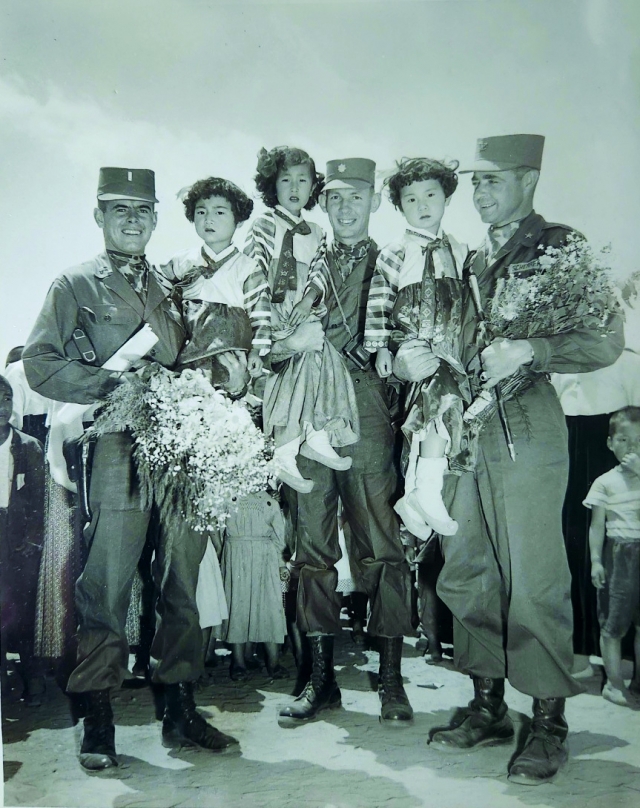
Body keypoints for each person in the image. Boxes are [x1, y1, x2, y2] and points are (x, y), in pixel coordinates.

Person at [393, 135, 624, 784]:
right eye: (478, 181)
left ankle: (548, 720)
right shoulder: (467, 257)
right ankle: (487, 703)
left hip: (526, 426)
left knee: (534, 577)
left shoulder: (558, 245)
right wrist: (420, 359)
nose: (481, 191)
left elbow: (606, 340)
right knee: (467, 570)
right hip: (463, 426)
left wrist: (533, 353)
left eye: (493, 180)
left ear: (529, 179)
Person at [22, 167, 238, 770]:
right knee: (106, 583)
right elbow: (41, 363)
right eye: (119, 210)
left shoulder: (175, 284)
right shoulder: (73, 284)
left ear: (155, 218)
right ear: (98, 216)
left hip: (182, 444)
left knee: (183, 582)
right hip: (117, 442)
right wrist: (115, 381)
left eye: (142, 211)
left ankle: (181, 710)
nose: (132, 221)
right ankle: (97, 721)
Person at [278, 158, 414, 728]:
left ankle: (389, 680)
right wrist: (291, 338)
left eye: (356, 197)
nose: (345, 208)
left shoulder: (400, 262)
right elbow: (273, 333)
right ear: (323, 205)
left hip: (366, 409)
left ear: (376, 201)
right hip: (309, 409)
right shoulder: (303, 261)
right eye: (334, 198)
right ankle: (320, 679)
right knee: (311, 546)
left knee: (379, 542)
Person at [364, 157, 470, 539]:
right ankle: (426, 489)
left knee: (444, 414)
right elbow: (379, 300)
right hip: (416, 343)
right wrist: (381, 349)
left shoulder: (460, 250)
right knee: (440, 401)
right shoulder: (396, 250)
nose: (422, 205)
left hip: (451, 347)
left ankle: (415, 492)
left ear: (446, 197)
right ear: (399, 206)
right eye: (411, 199)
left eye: (430, 195)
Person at [245, 146, 359, 492]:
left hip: (302, 310)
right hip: (272, 310)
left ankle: (316, 432)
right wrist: (262, 335)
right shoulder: (264, 225)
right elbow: (255, 275)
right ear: (272, 185)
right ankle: (285, 447)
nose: (294, 187)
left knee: (325, 360)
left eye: (302, 180)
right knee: (299, 363)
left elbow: (319, 274)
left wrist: (309, 300)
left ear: (313, 188)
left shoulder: (317, 233)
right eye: (285, 179)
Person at [162, 175, 271, 387]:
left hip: (229, 356)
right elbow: (158, 291)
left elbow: (260, 314)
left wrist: (257, 351)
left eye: (219, 212)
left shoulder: (248, 268)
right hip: (188, 354)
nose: (208, 219)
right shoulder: (182, 261)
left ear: (238, 220)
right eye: (201, 212)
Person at [585, 406, 640, 706]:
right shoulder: (605, 482)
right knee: (614, 623)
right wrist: (595, 559)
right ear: (609, 443)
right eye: (623, 440)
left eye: (639, 440)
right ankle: (614, 683)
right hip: (619, 554)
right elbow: (596, 527)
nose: (631, 448)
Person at [0, 374, 45, 706]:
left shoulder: (28, 445)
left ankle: (32, 678)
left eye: (6, 399)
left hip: (19, 541)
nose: (2, 407)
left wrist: (31, 541)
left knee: (23, 612)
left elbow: (41, 500)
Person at [216, 490, 288, 680]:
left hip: (265, 558)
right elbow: (217, 531)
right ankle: (238, 663)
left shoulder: (269, 501)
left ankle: (274, 662)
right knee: (237, 607)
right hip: (235, 556)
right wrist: (222, 554)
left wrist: (281, 564)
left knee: (269, 608)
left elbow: (280, 534)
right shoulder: (226, 498)